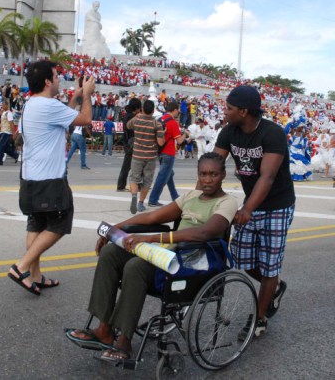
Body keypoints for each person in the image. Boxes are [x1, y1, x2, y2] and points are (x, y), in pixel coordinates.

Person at [66, 152, 238, 361]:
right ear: (198, 175)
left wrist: (154, 239)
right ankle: (104, 329)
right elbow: (153, 216)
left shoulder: (227, 202)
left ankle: (124, 341)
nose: (207, 179)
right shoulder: (190, 197)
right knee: (111, 252)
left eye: (213, 174)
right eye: (203, 174)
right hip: (169, 255)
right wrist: (115, 229)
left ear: (223, 175)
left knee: (136, 266)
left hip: (193, 261)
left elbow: (206, 232)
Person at [7, 60, 95, 295]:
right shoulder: (48, 106)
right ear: (47, 81)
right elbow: (85, 119)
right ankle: (21, 267)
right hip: (50, 179)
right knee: (60, 222)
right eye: (56, 76)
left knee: (37, 224)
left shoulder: (33, 104)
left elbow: (62, 114)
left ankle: (35, 276)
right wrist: (87, 95)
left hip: (31, 177)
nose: (59, 79)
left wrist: (76, 95)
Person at [214, 85, 295, 340]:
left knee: (269, 266)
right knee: (242, 259)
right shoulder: (229, 132)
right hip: (253, 203)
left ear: (244, 111)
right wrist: (201, 198)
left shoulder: (272, 133)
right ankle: (276, 287)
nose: (224, 111)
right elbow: (213, 166)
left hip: (277, 206)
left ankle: (259, 318)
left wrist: (247, 208)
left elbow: (268, 177)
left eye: (229, 107)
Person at [127, 100, 164, 214]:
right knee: (147, 181)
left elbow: (128, 125)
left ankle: (134, 196)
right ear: (153, 111)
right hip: (150, 156)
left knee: (134, 178)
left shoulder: (137, 120)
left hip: (137, 154)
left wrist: (137, 116)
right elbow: (161, 142)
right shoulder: (156, 124)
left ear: (142, 109)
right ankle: (141, 203)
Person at [148, 102, 188, 207]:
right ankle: (153, 199)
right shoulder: (173, 122)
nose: (178, 112)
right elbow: (179, 141)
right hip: (168, 152)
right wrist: (184, 134)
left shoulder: (160, 119)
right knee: (162, 177)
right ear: (174, 109)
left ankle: (175, 196)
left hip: (160, 151)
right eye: (178, 110)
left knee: (169, 174)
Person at [116, 98, 142, 191]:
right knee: (134, 166)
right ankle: (122, 186)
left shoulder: (127, 115)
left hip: (128, 143)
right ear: (137, 108)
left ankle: (123, 185)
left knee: (129, 166)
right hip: (131, 144)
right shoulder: (132, 117)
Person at [0, 100, 19, 165]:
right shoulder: (4, 113)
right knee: (5, 148)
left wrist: (13, 134)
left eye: (3, 105)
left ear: (6, 105)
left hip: (6, 133)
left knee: (1, 146)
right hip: (3, 132)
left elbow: (11, 124)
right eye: (1, 105)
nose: (2, 106)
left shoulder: (9, 113)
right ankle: (15, 155)